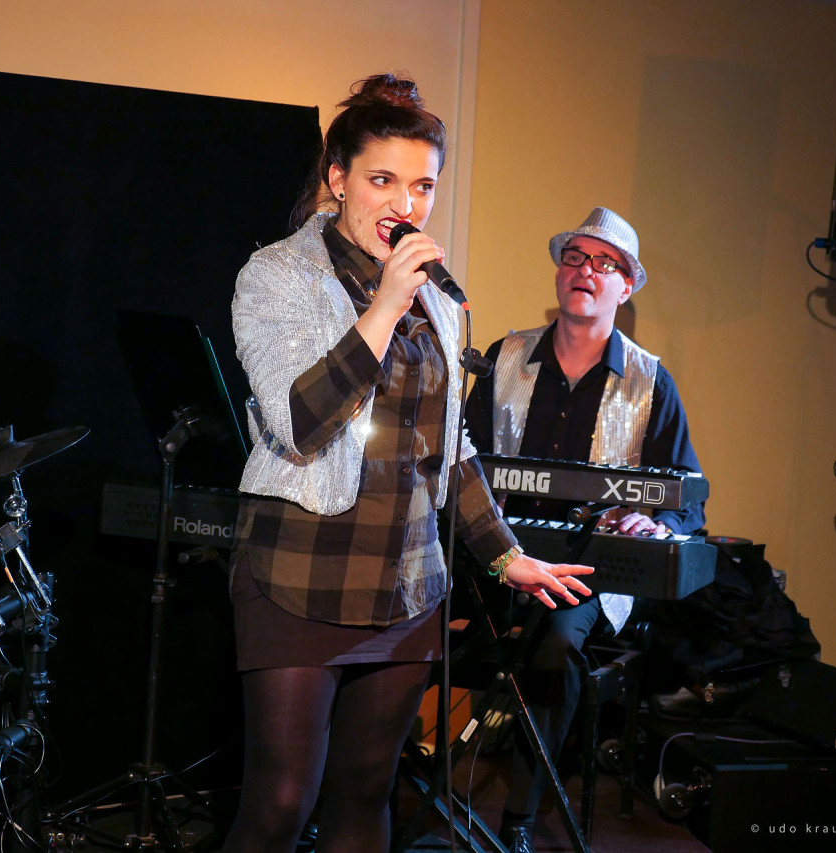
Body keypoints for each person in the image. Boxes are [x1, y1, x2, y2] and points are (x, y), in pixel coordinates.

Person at [221, 74, 593, 853]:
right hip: (302, 573)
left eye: (422, 186)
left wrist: (506, 555)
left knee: (365, 794)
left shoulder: (436, 297)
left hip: (407, 581)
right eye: (383, 180)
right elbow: (298, 421)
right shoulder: (277, 275)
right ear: (338, 179)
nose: (405, 204)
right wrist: (386, 305)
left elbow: (449, 448)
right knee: (281, 804)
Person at [465, 206, 705, 853]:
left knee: (557, 643)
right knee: (407, 602)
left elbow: (686, 499)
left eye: (605, 263)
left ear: (625, 288)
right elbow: (461, 463)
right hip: (494, 555)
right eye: (575, 257)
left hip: (587, 571)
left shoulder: (651, 380)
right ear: (558, 273)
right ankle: (362, 795)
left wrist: (653, 518)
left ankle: (518, 818)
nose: (586, 270)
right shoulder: (505, 358)